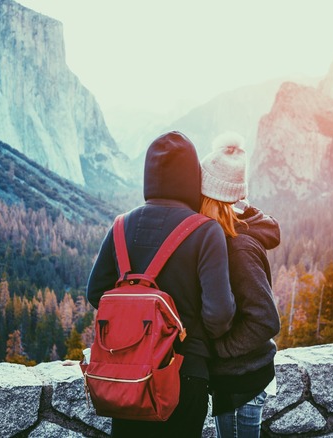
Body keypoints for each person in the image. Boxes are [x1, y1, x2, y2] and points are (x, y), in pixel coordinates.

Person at [86, 131, 236, 437]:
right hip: (184, 374)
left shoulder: (120, 225)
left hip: (128, 374)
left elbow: (95, 294)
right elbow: (219, 316)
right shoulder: (206, 231)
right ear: (192, 178)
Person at [199, 131, 281, 438]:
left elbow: (266, 320)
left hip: (242, 383)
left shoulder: (239, 249)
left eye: (200, 195)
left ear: (212, 199)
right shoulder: (226, 239)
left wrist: (218, 349)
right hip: (237, 379)